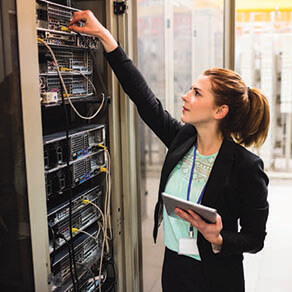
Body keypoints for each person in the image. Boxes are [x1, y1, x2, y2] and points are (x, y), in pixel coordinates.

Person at [69, 10, 270, 292]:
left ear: (220, 111)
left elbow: (255, 238)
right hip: (175, 268)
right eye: (190, 89)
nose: (185, 96)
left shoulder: (246, 166)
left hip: (215, 275)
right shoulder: (182, 139)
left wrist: (220, 238)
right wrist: (105, 36)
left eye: (197, 93)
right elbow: (143, 97)